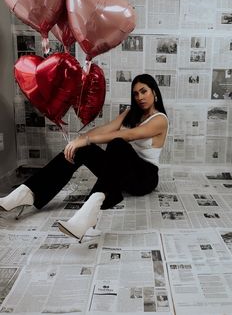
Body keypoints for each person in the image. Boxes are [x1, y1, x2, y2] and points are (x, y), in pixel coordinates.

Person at [0, 74, 168, 241]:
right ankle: (29, 192)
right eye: (136, 93)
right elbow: (106, 128)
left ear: (154, 92)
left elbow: (129, 135)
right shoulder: (131, 113)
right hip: (121, 172)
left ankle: (89, 212)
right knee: (83, 149)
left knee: (118, 143)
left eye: (143, 91)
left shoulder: (160, 119)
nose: (139, 97)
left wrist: (87, 139)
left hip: (144, 177)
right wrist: (80, 140)